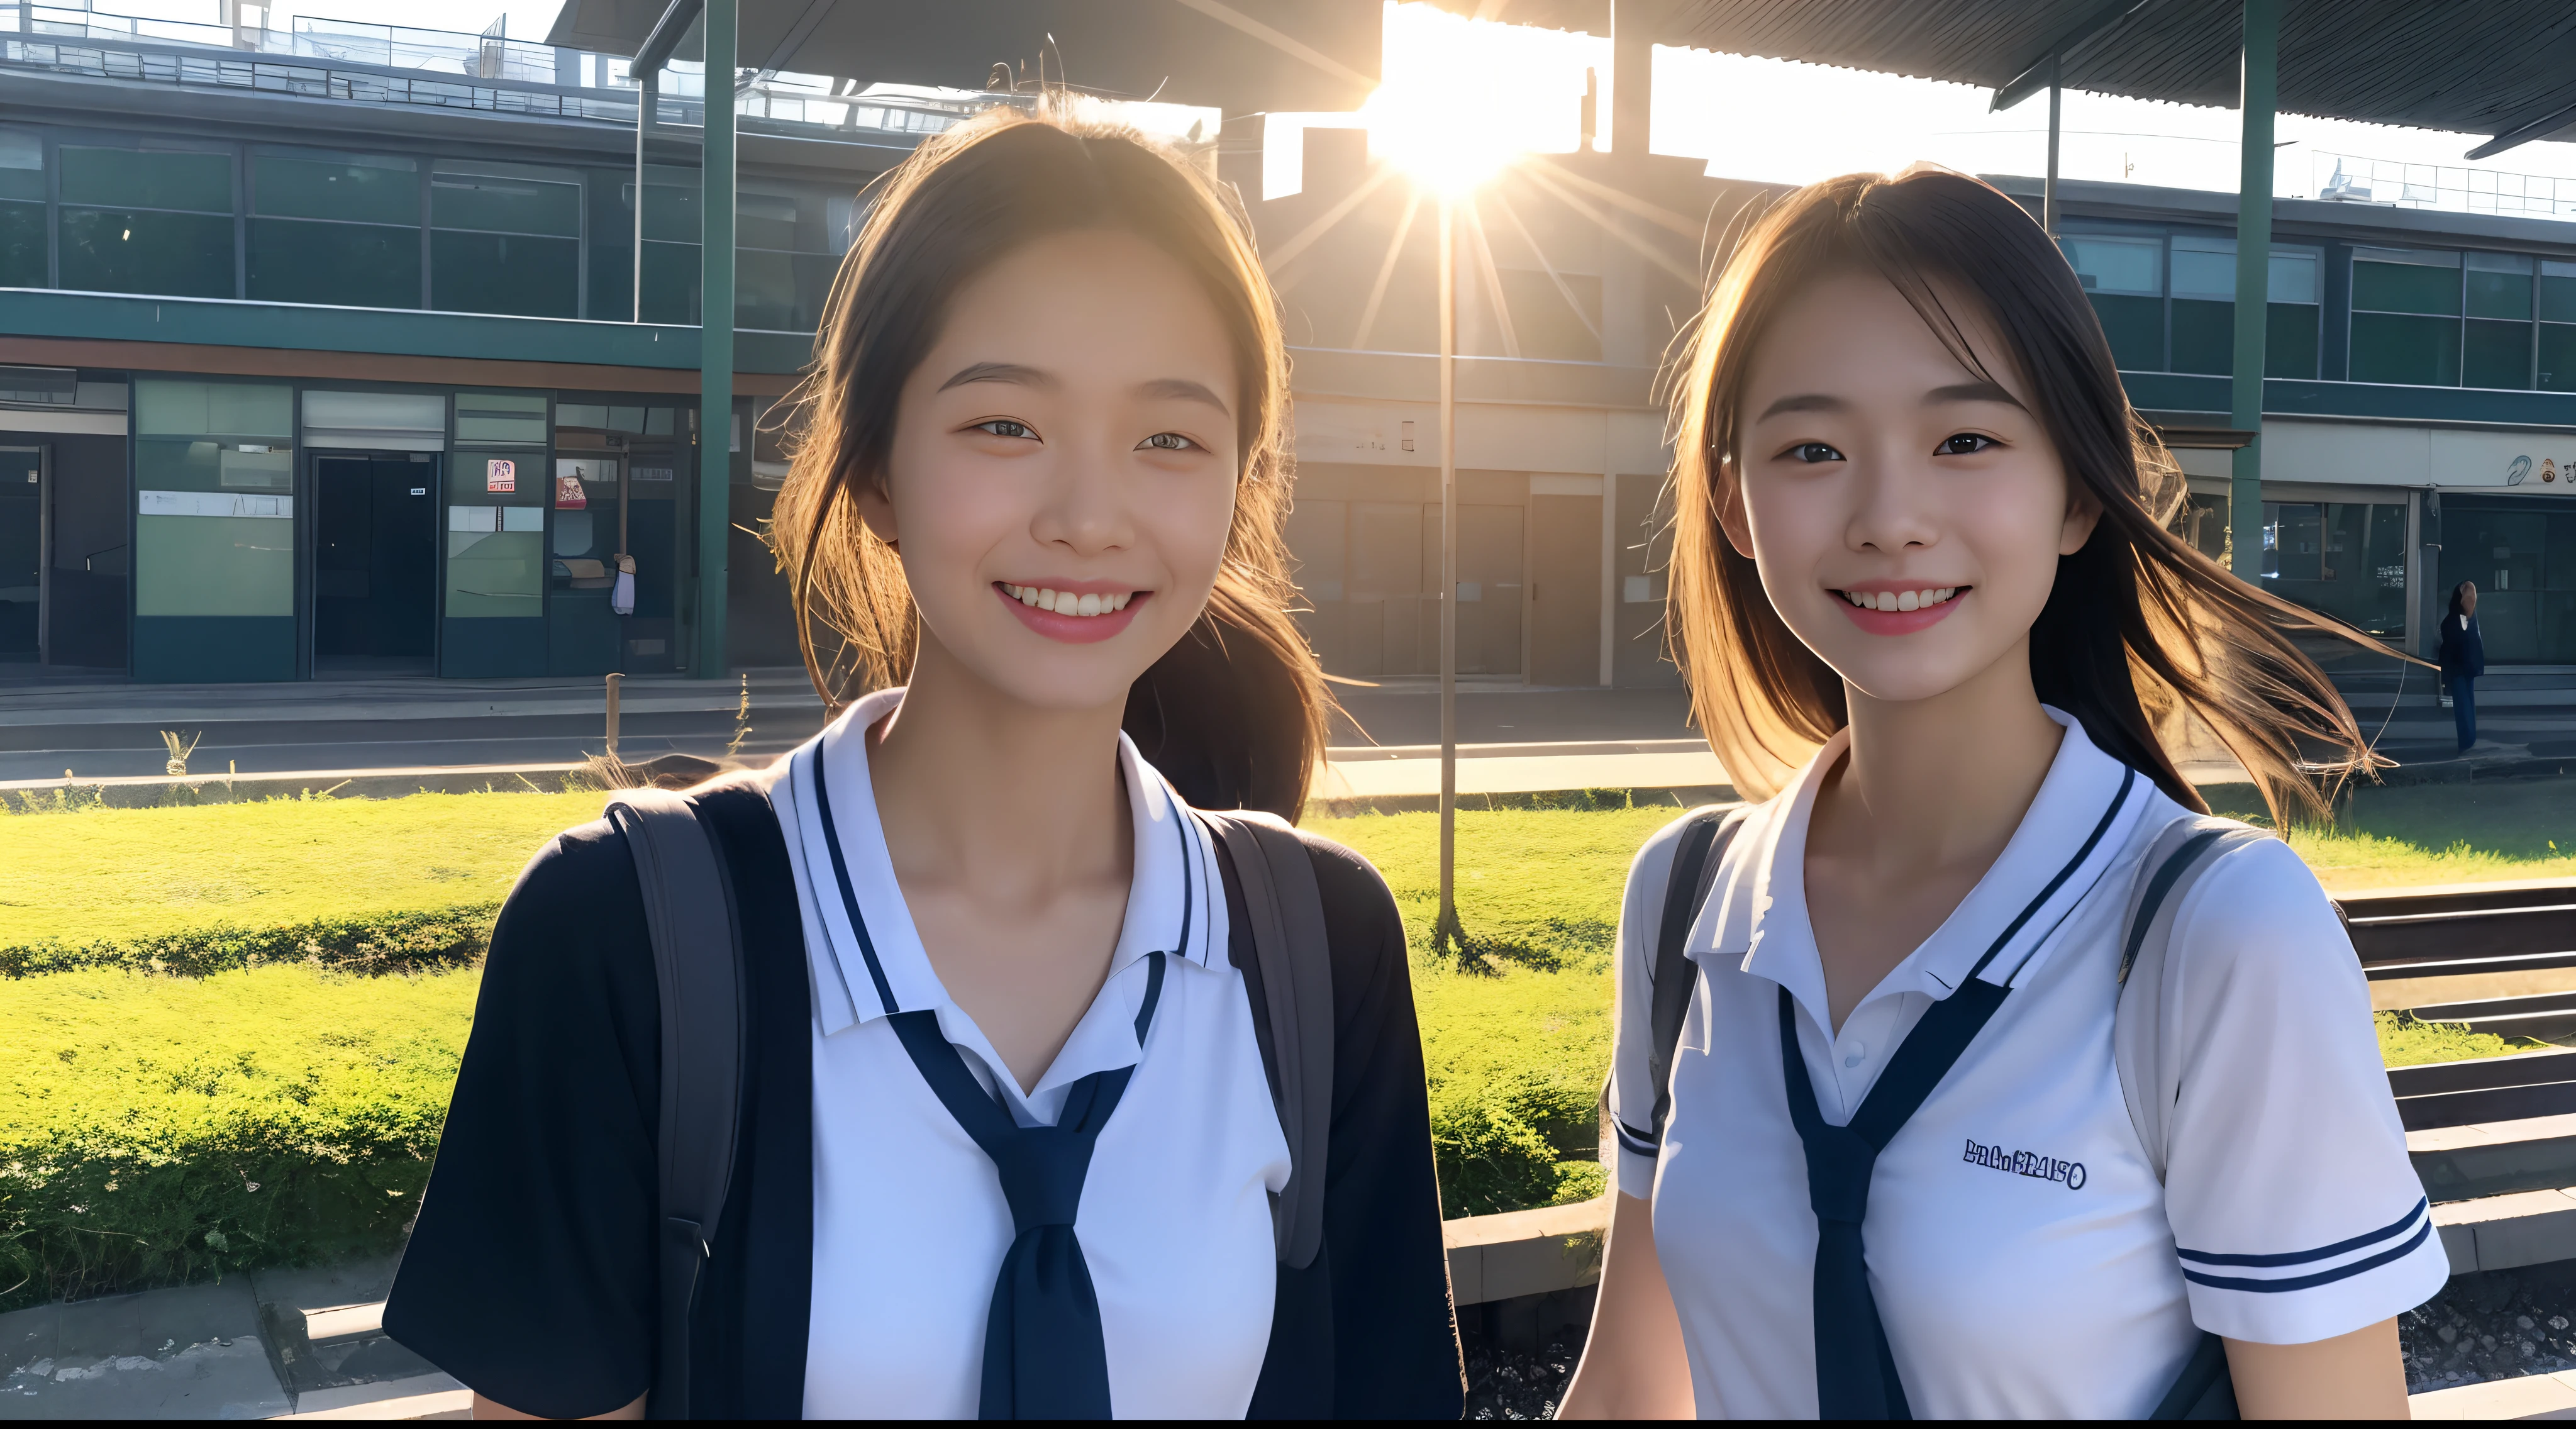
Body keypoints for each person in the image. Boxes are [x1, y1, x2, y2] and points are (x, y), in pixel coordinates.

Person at [380, 108, 1464, 1420]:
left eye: (1168, 437)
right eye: (1004, 424)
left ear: (1241, 483)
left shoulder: (1318, 948)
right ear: (876, 469)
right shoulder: (625, 933)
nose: (1085, 514)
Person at [1557, 167, 2437, 1420]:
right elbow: (1629, 1387)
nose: (1888, 516)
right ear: (1731, 503)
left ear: (2076, 489)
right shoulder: (1686, 901)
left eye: (1963, 439)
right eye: (1811, 449)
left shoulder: (2214, 933)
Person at [2440, 580, 2484, 753]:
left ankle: (2466, 741)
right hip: (2465, 664)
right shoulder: (2465, 617)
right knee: (2467, 703)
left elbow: (2457, 637)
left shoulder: (2460, 617)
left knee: (2463, 705)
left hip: (2459, 664)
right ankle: (2468, 740)